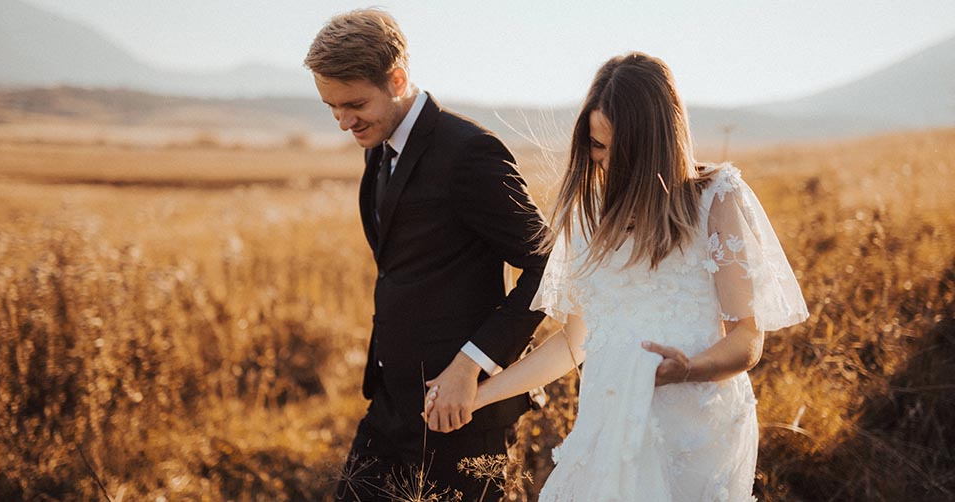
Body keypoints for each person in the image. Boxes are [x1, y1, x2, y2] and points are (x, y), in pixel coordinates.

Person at [426, 52, 809, 501]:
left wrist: (689, 370)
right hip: (605, 427)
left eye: (615, 149)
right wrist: (478, 395)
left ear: (656, 143)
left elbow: (747, 339)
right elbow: (575, 343)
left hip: (694, 433)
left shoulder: (716, 200)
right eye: (595, 144)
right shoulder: (585, 214)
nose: (602, 161)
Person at [303, 9, 549, 501]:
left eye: (353, 104)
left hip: (463, 412)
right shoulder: (379, 145)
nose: (343, 122)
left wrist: (470, 364)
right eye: (331, 107)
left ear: (396, 79)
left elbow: (549, 265)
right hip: (390, 406)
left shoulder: (470, 152)